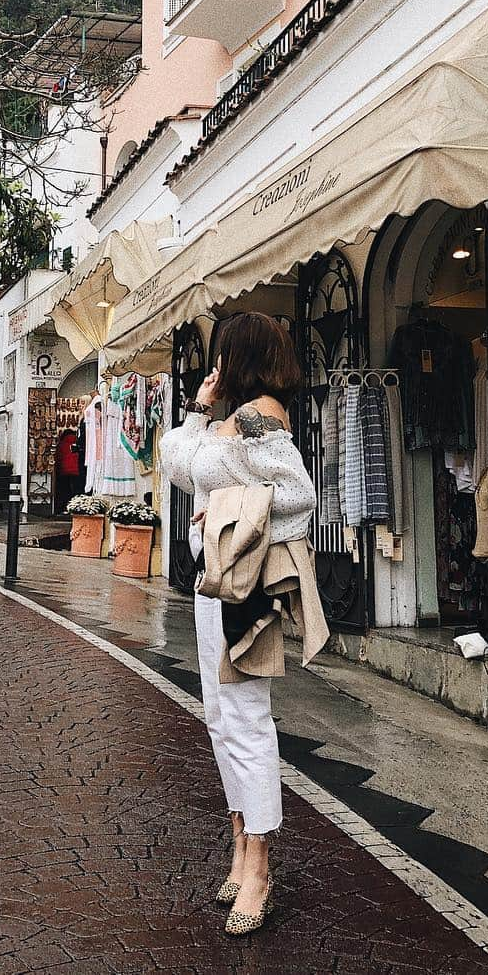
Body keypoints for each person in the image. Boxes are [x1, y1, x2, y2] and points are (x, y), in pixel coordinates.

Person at [162, 313, 322, 937]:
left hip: (244, 588)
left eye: (223, 354)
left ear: (241, 355)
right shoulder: (236, 416)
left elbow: (300, 494)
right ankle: (240, 844)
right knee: (222, 718)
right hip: (216, 582)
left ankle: (258, 865)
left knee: (247, 722)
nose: (215, 366)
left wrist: (234, 501)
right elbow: (177, 464)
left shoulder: (260, 415)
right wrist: (200, 415)